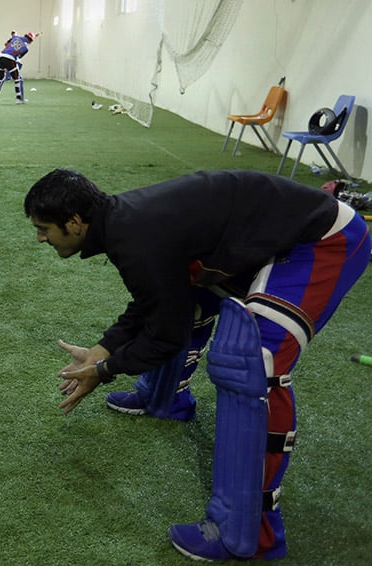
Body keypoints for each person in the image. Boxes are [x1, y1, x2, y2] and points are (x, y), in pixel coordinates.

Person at [23, 168, 370, 561]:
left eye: (43, 228)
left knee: (252, 363)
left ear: (74, 222)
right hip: (266, 241)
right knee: (190, 294)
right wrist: (102, 351)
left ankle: (251, 531)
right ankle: (166, 399)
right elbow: (155, 300)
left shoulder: (134, 235)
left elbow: (165, 336)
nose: (39, 238)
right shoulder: (124, 224)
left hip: (325, 240)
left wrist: (104, 371)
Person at [0, 31, 36, 105]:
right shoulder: (26, 48)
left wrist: (14, 34)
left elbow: (12, 35)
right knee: (17, 79)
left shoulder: (16, 37)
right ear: (30, 41)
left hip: (1, 57)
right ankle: (19, 98)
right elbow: (19, 56)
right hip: (10, 59)